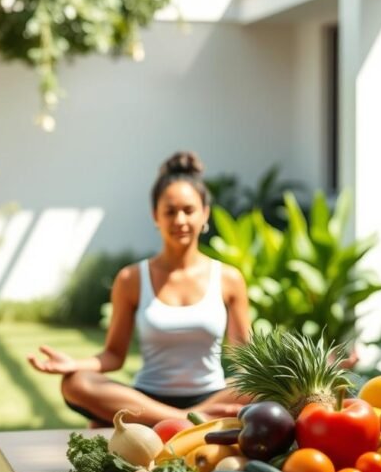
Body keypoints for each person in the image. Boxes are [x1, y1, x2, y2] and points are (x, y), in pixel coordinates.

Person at [27, 152, 252, 426]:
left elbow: (245, 360)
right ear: (155, 215)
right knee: (76, 382)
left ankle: (181, 421)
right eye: (170, 211)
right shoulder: (131, 279)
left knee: (273, 387)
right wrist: (76, 365)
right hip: (146, 401)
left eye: (189, 210)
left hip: (212, 399)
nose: (180, 220)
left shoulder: (229, 278)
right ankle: (186, 421)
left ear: (204, 213)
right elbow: (113, 356)